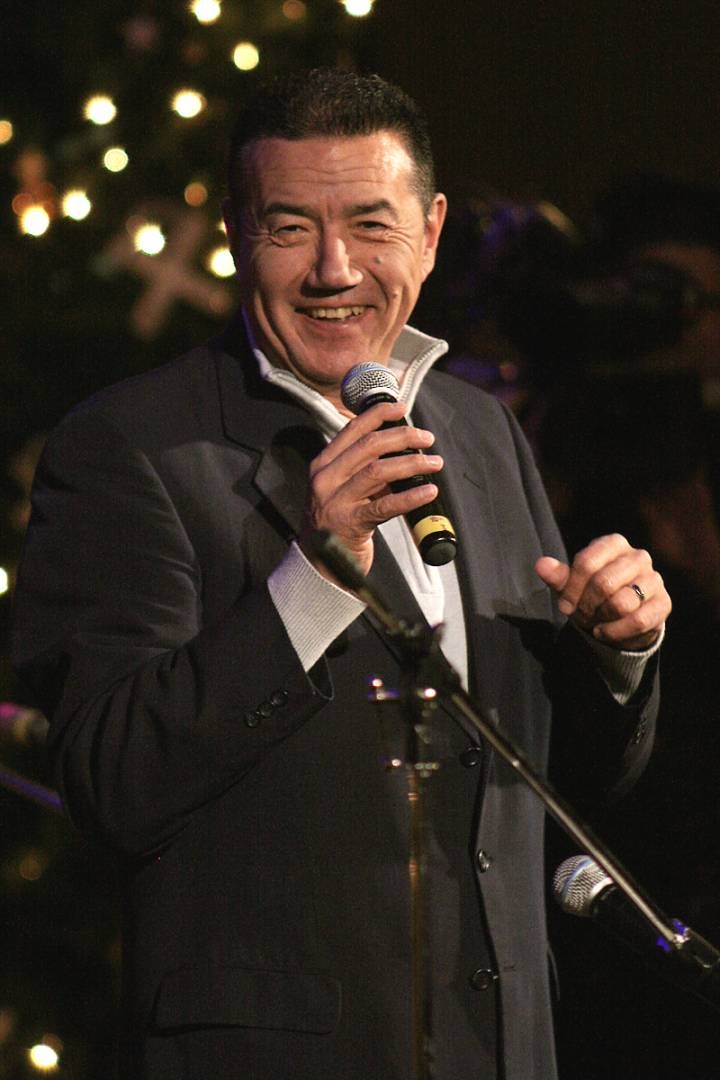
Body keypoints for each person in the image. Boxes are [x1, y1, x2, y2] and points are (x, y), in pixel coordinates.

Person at [11, 69, 671, 1080]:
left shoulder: (481, 431)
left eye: (371, 224)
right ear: (235, 233)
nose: (334, 269)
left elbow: (551, 784)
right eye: (289, 228)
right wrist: (313, 580)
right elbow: (112, 782)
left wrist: (618, 658)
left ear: (430, 232)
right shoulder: (129, 446)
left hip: (502, 1050)